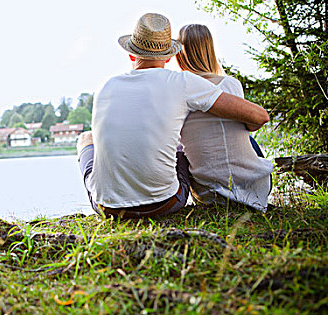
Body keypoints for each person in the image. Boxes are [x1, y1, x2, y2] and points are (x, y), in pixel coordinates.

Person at [77, 13, 269, 219]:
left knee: (86, 139)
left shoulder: (105, 87)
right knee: (178, 143)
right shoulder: (181, 82)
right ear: (169, 57)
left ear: (131, 54)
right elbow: (259, 116)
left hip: (107, 208)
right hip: (164, 204)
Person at [177, 24, 273, 211]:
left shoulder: (179, 91)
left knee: (181, 146)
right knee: (249, 139)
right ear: (210, 50)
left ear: (180, 55)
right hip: (253, 190)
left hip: (207, 195)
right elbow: (251, 124)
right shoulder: (231, 85)